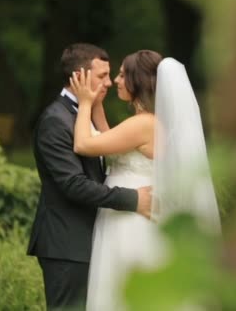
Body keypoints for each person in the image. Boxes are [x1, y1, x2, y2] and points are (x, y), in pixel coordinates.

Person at [69, 50, 221, 310]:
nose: (115, 81)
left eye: (121, 75)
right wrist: (97, 107)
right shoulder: (151, 123)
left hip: (129, 220)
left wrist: (83, 103)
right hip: (134, 215)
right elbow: (112, 140)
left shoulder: (142, 124)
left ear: (136, 80)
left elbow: (84, 144)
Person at [26, 43, 153, 310]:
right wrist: (133, 199)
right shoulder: (56, 120)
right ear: (78, 77)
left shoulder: (87, 114)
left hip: (94, 239)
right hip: (67, 243)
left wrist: (92, 107)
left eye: (111, 75)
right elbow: (73, 184)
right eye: (101, 76)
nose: (109, 83)